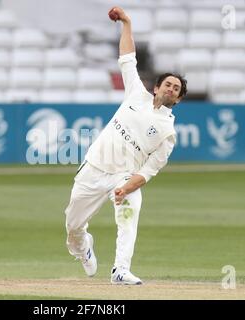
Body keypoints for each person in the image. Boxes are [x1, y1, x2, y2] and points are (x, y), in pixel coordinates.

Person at [64, 6, 187, 285]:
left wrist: (127, 186)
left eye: (176, 89)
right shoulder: (136, 93)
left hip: (123, 176)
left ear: (177, 100)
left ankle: (120, 270)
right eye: (167, 84)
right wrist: (127, 23)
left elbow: (148, 171)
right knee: (72, 226)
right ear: (156, 88)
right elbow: (127, 58)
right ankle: (83, 249)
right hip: (94, 168)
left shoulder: (168, 133)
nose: (170, 89)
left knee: (129, 214)